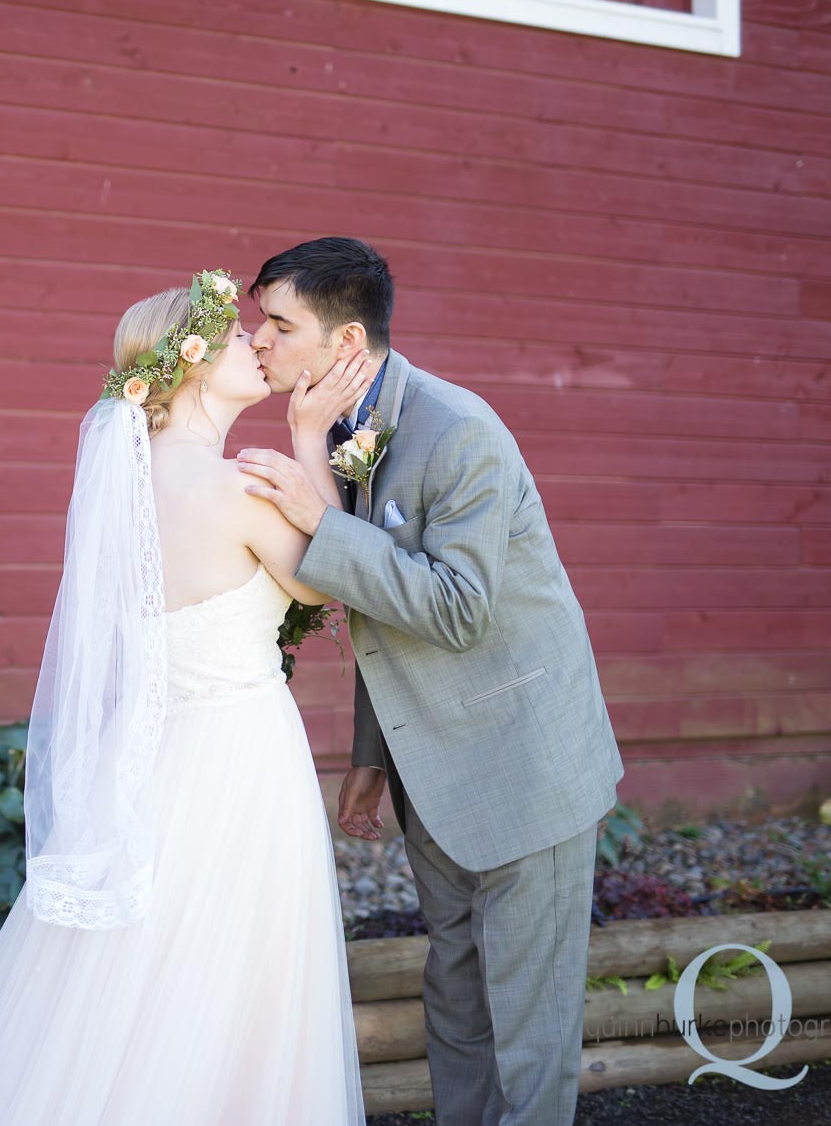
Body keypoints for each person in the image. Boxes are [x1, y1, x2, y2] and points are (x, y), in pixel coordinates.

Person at [0, 272, 374, 1125]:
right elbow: (338, 579)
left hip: (155, 758)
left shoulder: (134, 489)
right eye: (233, 337)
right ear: (188, 363)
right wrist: (308, 431)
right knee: (230, 975)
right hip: (239, 767)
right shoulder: (237, 488)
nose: (256, 343)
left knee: (131, 984)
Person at [237, 237, 627, 1126]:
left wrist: (313, 515)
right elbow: (384, 622)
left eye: (279, 323)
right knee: (455, 1004)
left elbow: (457, 610)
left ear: (343, 344)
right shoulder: (341, 432)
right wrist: (372, 755)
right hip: (431, 770)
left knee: (528, 1028)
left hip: (527, 761)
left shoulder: (460, 434)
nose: (259, 340)